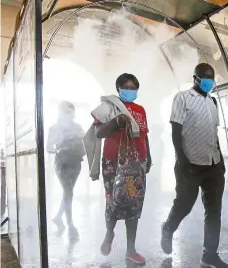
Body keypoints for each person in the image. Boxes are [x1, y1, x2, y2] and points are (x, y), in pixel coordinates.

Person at [161, 63, 228, 268]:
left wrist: (221, 161)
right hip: (190, 164)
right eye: (205, 77)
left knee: (214, 210)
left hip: (213, 164)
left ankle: (209, 253)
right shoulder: (182, 98)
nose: (209, 81)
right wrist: (182, 161)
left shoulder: (213, 102)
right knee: (184, 204)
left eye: (212, 77)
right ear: (196, 78)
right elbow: (176, 131)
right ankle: (168, 228)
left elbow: (213, 134)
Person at [86, 73, 152, 265]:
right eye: (126, 87)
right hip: (113, 162)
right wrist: (116, 122)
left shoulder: (140, 109)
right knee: (114, 201)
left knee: (134, 204)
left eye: (134, 88)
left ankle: (131, 250)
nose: (130, 91)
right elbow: (98, 132)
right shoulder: (108, 107)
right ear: (118, 89)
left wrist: (148, 158)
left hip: (137, 162)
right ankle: (109, 234)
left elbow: (144, 135)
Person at [46, 101, 85, 239]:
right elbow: (48, 147)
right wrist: (59, 144)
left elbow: (86, 141)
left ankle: (58, 217)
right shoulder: (54, 128)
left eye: (71, 111)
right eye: (67, 111)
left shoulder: (78, 126)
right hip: (62, 162)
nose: (70, 114)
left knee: (69, 193)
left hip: (76, 162)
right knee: (68, 192)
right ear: (61, 112)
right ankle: (70, 225)